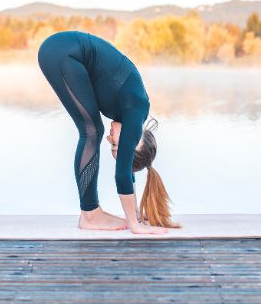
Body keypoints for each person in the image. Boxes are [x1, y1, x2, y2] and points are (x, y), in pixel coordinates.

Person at [37, 30, 181, 234]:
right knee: (92, 131)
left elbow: (127, 169)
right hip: (63, 51)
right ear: (137, 137)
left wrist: (136, 212)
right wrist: (134, 224)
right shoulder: (136, 108)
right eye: (115, 144)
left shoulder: (131, 113)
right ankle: (90, 214)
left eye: (112, 145)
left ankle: (91, 212)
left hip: (59, 50)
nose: (109, 139)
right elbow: (122, 172)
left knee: (94, 130)